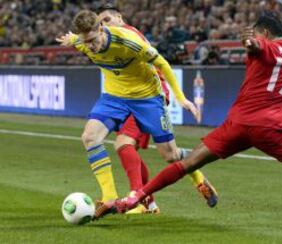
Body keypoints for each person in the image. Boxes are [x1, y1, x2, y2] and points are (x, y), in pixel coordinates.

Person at [102, 14, 282, 232]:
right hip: (271, 130)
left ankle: (138, 196)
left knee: (189, 163)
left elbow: (255, 47)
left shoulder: (265, 46)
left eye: (256, 33)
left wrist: (249, 42)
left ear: (264, 33)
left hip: (239, 125)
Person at [55, 10, 218, 219]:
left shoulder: (129, 41)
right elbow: (77, 40)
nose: (90, 46)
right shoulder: (82, 41)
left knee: (170, 155)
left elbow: (162, 63)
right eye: (85, 42)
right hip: (114, 97)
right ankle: (110, 197)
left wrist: (181, 97)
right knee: (90, 137)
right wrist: (73, 40)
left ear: (102, 29)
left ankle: (198, 177)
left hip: (147, 98)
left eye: (93, 40)